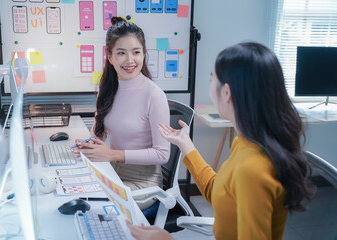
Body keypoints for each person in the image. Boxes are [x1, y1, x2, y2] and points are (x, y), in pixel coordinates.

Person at [127, 42, 315, 239]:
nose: (210, 89)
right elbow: (219, 192)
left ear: (227, 93)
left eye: (212, 81)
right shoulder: (248, 144)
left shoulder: (253, 168)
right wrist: (185, 144)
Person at [75, 17, 170, 210]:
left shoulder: (154, 95)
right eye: (121, 53)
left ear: (144, 54)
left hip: (144, 184)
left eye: (136, 52)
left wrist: (111, 154)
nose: (130, 60)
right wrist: (88, 145)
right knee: (76, 193)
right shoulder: (107, 88)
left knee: (93, 207)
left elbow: (162, 154)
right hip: (112, 171)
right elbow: (99, 133)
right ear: (110, 56)